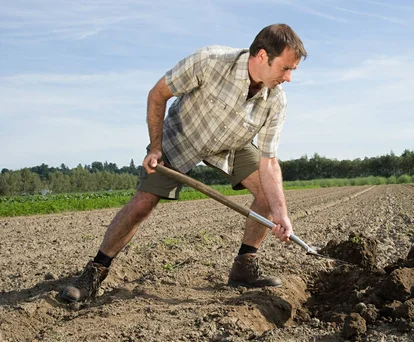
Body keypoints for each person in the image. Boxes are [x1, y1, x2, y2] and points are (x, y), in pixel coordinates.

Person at [61, 24, 307, 303]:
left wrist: (281, 213)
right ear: (262, 56)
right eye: (286, 69)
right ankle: (94, 272)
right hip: (182, 136)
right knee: (143, 203)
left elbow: (269, 161)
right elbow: (158, 94)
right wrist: (155, 148)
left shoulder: (276, 100)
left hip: (231, 144)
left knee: (266, 193)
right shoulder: (210, 61)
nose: (288, 78)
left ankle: (244, 267)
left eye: (292, 71)